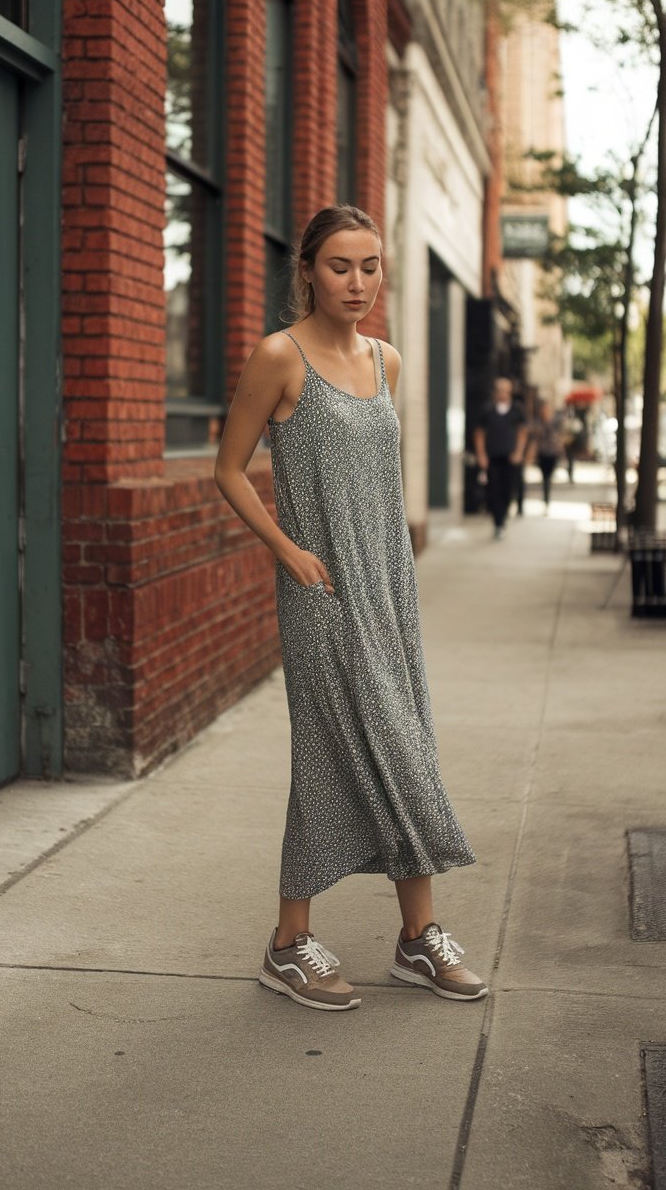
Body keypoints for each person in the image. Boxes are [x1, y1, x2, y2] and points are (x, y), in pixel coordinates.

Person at [214, 204, 486, 1012]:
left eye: (370, 266)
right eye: (340, 266)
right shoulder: (279, 357)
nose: (359, 282)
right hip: (321, 593)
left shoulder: (388, 361)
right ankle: (308, 944)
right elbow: (228, 469)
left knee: (399, 745)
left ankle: (388, 940)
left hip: (389, 591)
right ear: (307, 271)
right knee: (364, 752)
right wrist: (288, 551)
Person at [473, 379, 528, 539]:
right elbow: (479, 433)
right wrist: (481, 454)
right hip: (493, 457)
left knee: (508, 489)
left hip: (510, 458)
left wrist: (518, 452)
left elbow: (522, 432)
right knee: (493, 490)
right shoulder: (488, 410)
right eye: (499, 389)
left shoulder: (517, 410)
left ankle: (503, 519)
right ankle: (498, 523)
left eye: (505, 390)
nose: (502, 392)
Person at [527, 401, 564, 513]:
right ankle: (546, 499)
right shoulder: (538, 423)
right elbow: (534, 440)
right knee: (545, 478)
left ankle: (546, 497)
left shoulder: (556, 423)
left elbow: (560, 439)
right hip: (542, 453)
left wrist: (561, 452)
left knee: (548, 477)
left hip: (553, 453)